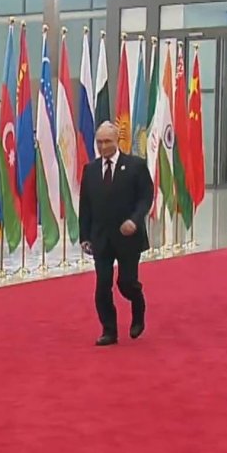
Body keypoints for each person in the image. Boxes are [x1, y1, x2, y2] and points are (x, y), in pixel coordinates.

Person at [79, 121, 155, 347]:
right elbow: (85, 206)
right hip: (101, 238)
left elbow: (145, 198)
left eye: (107, 142)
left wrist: (134, 220)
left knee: (126, 283)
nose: (103, 147)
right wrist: (84, 236)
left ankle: (138, 306)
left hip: (128, 237)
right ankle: (109, 330)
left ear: (117, 141)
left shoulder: (135, 166)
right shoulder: (90, 170)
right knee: (102, 286)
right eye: (99, 142)